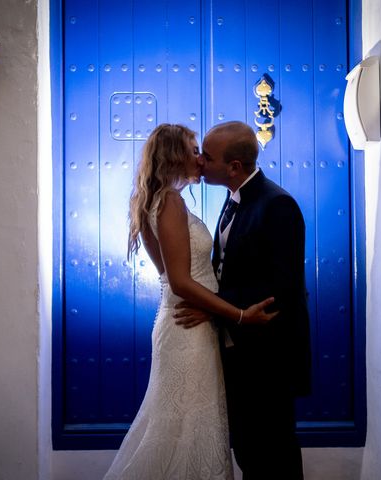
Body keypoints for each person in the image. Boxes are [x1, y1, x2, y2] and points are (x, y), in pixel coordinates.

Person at [103, 123, 277, 480]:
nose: (200, 159)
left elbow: (174, 279)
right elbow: (180, 282)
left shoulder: (158, 199)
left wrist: (212, 307)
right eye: (194, 150)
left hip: (189, 321)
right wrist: (240, 315)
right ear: (174, 156)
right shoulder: (169, 201)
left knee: (185, 427)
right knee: (182, 429)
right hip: (187, 330)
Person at [175, 121, 312, 480]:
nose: (201, 162)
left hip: (269, 355)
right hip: (240, 349)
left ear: (234, 167)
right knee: (250, 452)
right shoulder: (234, 199)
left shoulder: (277, 205)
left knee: (275, 453)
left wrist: (213, 305)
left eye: (208, 156)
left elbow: (281, 287)